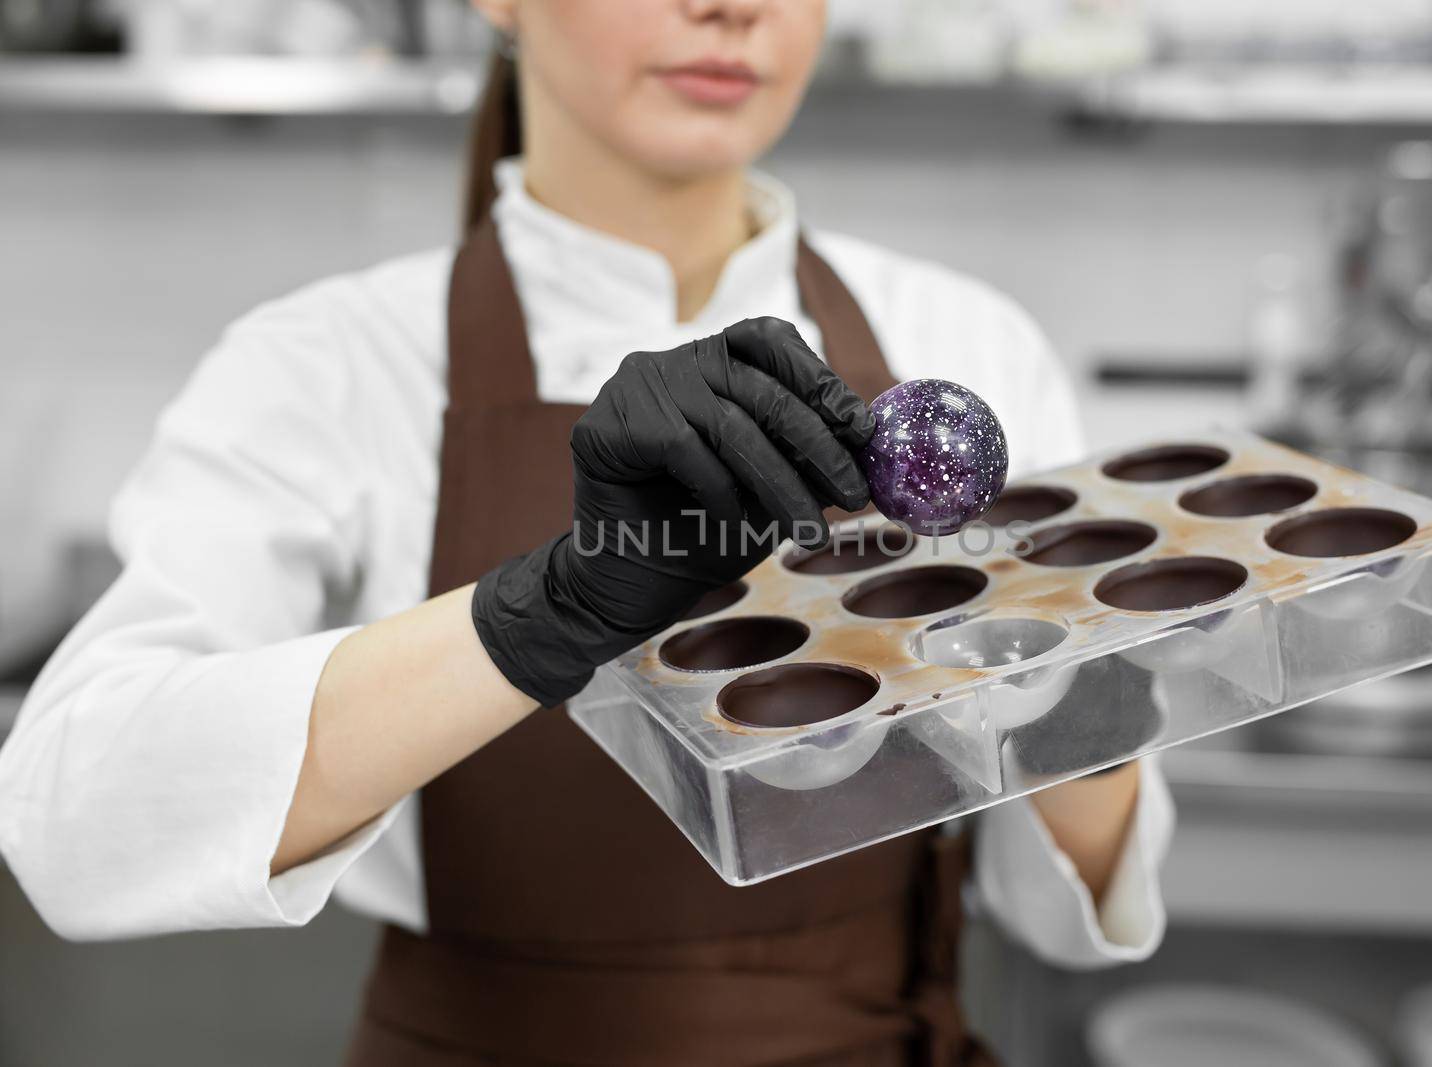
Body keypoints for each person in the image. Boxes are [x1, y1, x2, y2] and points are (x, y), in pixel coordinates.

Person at [0, 1, 1173, 1063]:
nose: (732, 10)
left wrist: (1071, 695)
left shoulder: (964, 340)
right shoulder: (329, 362)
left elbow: (1061, 910)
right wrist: (544, 613)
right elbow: (71, 821)